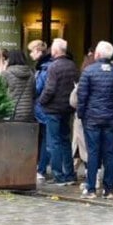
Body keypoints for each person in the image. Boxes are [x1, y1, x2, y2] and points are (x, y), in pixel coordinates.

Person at [76, 41, 113, 200]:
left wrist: (81, 114)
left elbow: (82, 96)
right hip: (110, 118)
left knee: (93, 153)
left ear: (97, 54)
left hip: (92, 118)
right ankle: (109, 190)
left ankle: (91, 188)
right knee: (109, 154)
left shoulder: (88, 71)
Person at [37, 38, 78, 186]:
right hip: (67, 108)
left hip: (53, 109)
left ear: (55, 51)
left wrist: (41, 101)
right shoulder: (72, 65)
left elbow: (49, 89)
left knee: (53, 143)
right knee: (65, 141)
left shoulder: (54, 67)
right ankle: (70, 174)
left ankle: (58, 175)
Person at [30, 40, 53, 183]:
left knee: (45, 139)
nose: (30, 54)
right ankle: (41, 167)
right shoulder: (44, 67)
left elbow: (38, 89)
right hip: (42, 108)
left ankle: (42, 168)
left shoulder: (44, 68)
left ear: (39, 51)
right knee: (45, 139)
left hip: (42, 108)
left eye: (32, 51)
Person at [1, 50, 34, 122]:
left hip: (12, 111)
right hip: (28, 111)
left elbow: (1, 92)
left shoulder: (6, 73)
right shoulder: (31, 73)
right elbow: (34, 91)